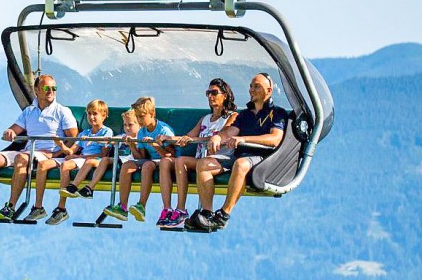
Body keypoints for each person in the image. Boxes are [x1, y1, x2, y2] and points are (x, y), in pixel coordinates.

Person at [186, 72, 288, 232]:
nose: (251, 90)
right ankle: (207, 213)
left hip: (263, 158)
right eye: (251, 86)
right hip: (239, 155)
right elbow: (229, 132)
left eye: (257, 87)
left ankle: (223, 216)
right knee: (204, 164)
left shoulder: (277, 113)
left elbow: (275, 138)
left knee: (241, 164)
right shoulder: (245, 114)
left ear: (269, 91)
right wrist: (217, 138)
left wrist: (244, 139)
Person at [0, 74, 78, 221]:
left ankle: (10, 206)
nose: (51, 91)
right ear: (37, 90)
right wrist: (10, 132)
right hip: (28, 151)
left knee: (21, 157)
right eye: (46, 88)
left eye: (54, 88)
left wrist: (57, 153)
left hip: (47, 153)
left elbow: (73, 138)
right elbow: (14, 129)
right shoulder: (29, 111)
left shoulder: (62, 111)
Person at [158, 79, 238, 229]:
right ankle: (179, 209)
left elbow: (222, 135)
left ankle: (200, 210)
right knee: (178, 160)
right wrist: (168, 139)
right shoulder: (205, 119)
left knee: (183, 160)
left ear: (225, 95)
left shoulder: (232, 117)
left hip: (219, 159)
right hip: (200, 158)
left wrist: (193, 139)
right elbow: (187, 137)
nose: (210, 96)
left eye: (214, 93)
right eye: (208, 93)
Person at [35, 99, 113, 225]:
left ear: (103, 116)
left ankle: (69, 193)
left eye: (95, 114)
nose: (91, 117)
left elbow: (104, 154)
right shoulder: (85, 133)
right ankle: (62, 205)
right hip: (82, 159)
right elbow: (71, 152)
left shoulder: (106, 132)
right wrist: (61, 145)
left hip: (95, 160)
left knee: (79, 162)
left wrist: (82, 157)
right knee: (65, 164)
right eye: (89, 114)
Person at [102, 97, 174, 222]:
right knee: (127, 165)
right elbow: (141, 157)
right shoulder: (142, 132)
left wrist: (155, 146)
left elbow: (171, 155)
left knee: (147, 166)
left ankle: (141, 204)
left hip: (166, 161)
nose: (139, 120)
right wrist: (132, 146)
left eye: (142, 116)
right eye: (138, 117)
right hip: (151, 160)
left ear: (152, 114)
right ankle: (122, 207)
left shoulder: (163, 130)